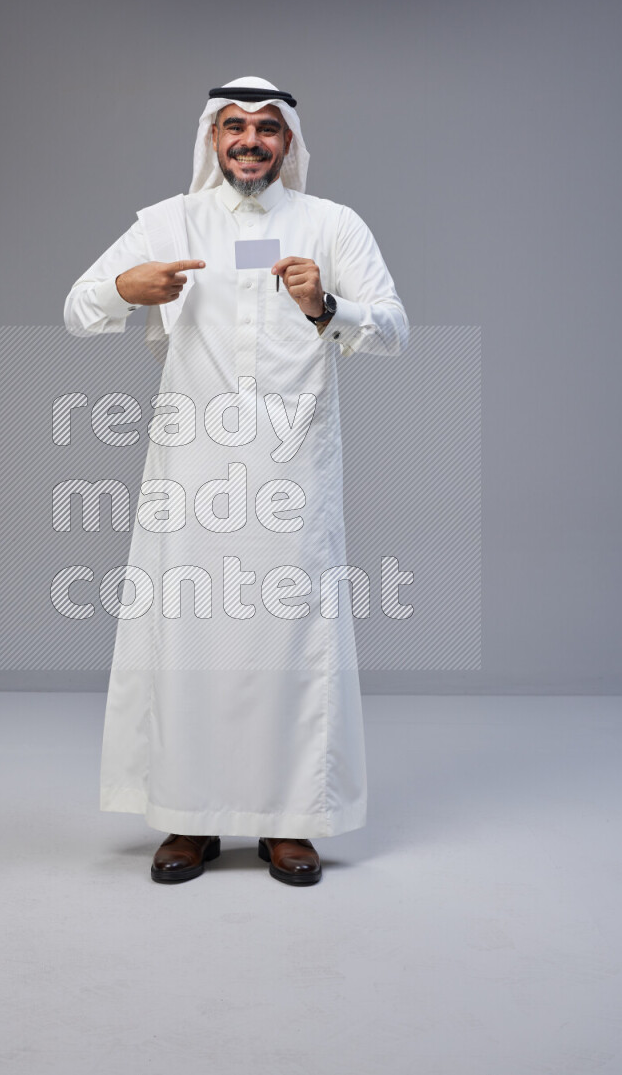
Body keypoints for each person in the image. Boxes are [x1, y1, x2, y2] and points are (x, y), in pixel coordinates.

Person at [63, 76, 408, 886]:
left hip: (295, 469)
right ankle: (190, 818)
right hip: (192, 473)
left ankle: (291, 823)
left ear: (288, 142)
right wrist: (125, 289)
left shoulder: (332, 224)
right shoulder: (167, 221)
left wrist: (329, 306)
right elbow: (78, 305)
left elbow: (392, 327)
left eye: (265, 128)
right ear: (212, 139)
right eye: (233, 127)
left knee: (292, 640)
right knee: (190, 640)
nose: (249, 141)